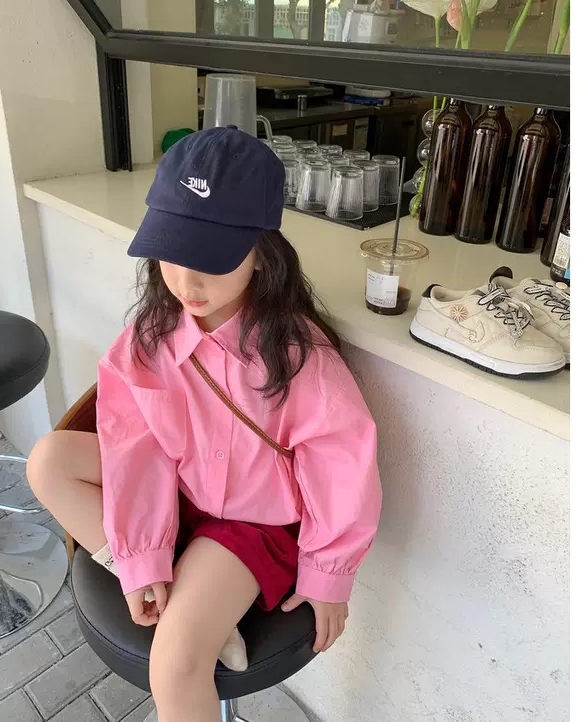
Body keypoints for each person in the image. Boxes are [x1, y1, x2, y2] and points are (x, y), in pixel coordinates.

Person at [28, 126, 382, 722]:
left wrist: (329, 574)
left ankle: (190, 620)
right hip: (179, 490)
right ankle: (178, 598)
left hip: (251, 524)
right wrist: (141, 560)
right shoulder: (149, 339)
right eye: (172, 252)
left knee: (172, 666)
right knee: (48, 460)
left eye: (211, 261)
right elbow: (134, 448)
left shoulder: (296, 356)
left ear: (262, 253)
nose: (187, 283)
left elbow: (339, 464)